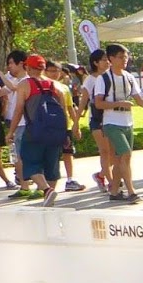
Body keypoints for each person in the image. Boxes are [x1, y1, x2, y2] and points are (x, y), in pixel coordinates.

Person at [6, 53, 71, 205]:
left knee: (29, 162)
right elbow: (63, 111)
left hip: (35, 131)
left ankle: (46, 190)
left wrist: (11, 131)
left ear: (27, 67)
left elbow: (19, 110)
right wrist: (65, 133)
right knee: (52, 165)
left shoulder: (25, 84)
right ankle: (50, 198)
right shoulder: (55, 85)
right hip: (55, 132)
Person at [96, 44, 141, 202]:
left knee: (121, 159)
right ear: (112, 58)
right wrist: (119, 104)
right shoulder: (104, 78)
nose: (125, 60)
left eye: (126, 57)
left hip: (128, 121)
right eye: (121, 57)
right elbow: (98, 103)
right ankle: (131, 191)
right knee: (125, 154)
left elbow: (138, 98)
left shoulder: (129, 77)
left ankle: (114, 191)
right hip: (111, 122)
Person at [43, 58, 84, 191]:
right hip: (49, 127)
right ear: (45, 71)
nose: (55, 74)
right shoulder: (42, 86)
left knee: (68, 152)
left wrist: (76, 124)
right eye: (52, 71)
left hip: (64, 126)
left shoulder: (64, 88)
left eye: (57, 71)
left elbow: (70, 107)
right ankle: (47, 181)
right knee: (50, 155)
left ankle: (70, 179)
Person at [79, 49, 111, 187]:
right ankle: (111, 182)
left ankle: (101, 175)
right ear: (96, 62)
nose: (107, 62)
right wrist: (76, 122)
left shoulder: (111, 76)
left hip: (112, 117)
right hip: (97, 118)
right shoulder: (90, 80)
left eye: (107, 59)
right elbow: (83, 101)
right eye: (104, 60)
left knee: (113, 153)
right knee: (104, 151)